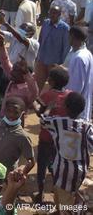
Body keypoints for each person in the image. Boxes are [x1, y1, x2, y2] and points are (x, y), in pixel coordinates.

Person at [40, 92, 93, 209]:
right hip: (79, 171)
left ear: (65, 107)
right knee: (67, 192)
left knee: (64, 200)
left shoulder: (58, 122)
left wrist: (49, 108)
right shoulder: (87, 127)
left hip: (61, 169)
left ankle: (72, 208)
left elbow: (43, 120)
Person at [34, 66, 71, 203]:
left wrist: (33, 104)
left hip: (46, 137)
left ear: (53, 81)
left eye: (49, 78)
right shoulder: (69, 95)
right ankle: (57, 192)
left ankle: (41, 191)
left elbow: (40, 113)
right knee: (56, 164)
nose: (47, 79)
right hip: (61, 139)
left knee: (42, 165)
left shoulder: (48, 95)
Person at [0, 97, 35, 174]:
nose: (11, 115)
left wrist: (20, 175)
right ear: (4, 110)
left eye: (16, 112)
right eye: (9, 111)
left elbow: (31, 161)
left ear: (22, 114)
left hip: (7, 174)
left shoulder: (22, 136)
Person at [35, 6, 70, 88]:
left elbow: (66, 47)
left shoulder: (65, 28)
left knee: (54, 86)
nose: (52, 15)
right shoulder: (46, 23)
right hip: (42, 60)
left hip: (54, 64)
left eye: (54, 13)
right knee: (38, 85)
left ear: (59, 14)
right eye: (50, 13)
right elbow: (40, 40)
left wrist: (61, 64)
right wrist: (37, 56)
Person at [64, 26, 93, 120]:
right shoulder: (85, 53)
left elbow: (75, 86)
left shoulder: (79, 58)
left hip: (75, 108)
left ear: (72, 36)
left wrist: (69, 104)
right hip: (81, 103)